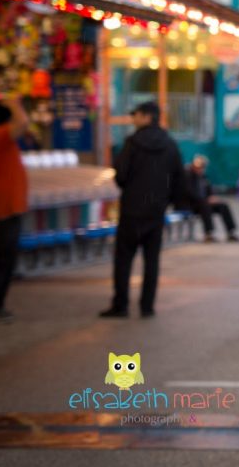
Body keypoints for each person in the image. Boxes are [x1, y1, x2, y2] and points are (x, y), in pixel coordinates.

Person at [100, 101, 184, 319]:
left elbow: (120, 175)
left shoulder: (132, 143)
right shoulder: (170, 144)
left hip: (131, 210)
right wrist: (168, 201)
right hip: (156, 211)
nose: (133, 119)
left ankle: (121, 305)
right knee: (152, 261)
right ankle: (147, 306)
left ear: (147, 117)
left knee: (123, 259)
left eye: (136, 115)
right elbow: (178, 178)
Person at [0, 97, 29, 322]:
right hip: (1, 212)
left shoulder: (0, 138)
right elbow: (22, 122)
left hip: (6, 209)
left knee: (1, 262)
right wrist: (14, 102)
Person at [183, 155, 239, 243]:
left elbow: (209, 190)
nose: (201, 169)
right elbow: (189, 193)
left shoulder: (203, 177)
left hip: (203, 203)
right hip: (191, 205)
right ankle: (208, 234)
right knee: (205, 205)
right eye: (199, 167)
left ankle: (231, 233)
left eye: (202, 167)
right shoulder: (187, 176)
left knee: (223, 206)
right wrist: (205, 200)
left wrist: (212, 197)